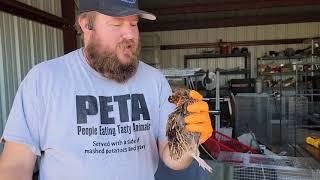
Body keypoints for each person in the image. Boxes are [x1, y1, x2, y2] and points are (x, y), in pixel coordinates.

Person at [0, 0, 213, 179]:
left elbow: (172, 158)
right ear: (86, 25)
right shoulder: (44, 79)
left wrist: (188, 138)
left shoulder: (153, 80)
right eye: (117, 24)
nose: (129, 35)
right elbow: (15, 165)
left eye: (133, 24)